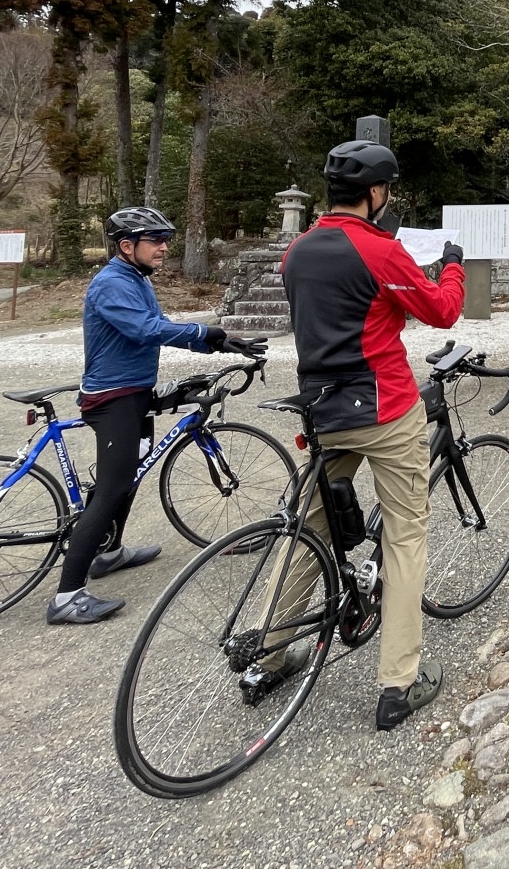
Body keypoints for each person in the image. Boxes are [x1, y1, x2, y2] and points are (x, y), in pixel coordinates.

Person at [262, 139, 466, 731]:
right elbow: (442, 310)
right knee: (405, 535)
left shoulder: (296, 251)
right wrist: (452, 263)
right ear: (375, 193)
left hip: (322, 412)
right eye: (387, 191)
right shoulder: (380, 251)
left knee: (308, 531)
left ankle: (268, 652)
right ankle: (399, 682)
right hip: (384, 408)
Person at [48, 206, 265, 626]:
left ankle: (109, 553)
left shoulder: (136, 279)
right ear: (127, 246)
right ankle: (66, 596)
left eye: (166, 240)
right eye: (156, 240)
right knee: (111, 488)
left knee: (128, 477)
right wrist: (207, 331)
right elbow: (146, 330)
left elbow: (158, 326)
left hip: (134, 393)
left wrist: (221, 344)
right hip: (112, 398)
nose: (164, 247)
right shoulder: (112, 283)